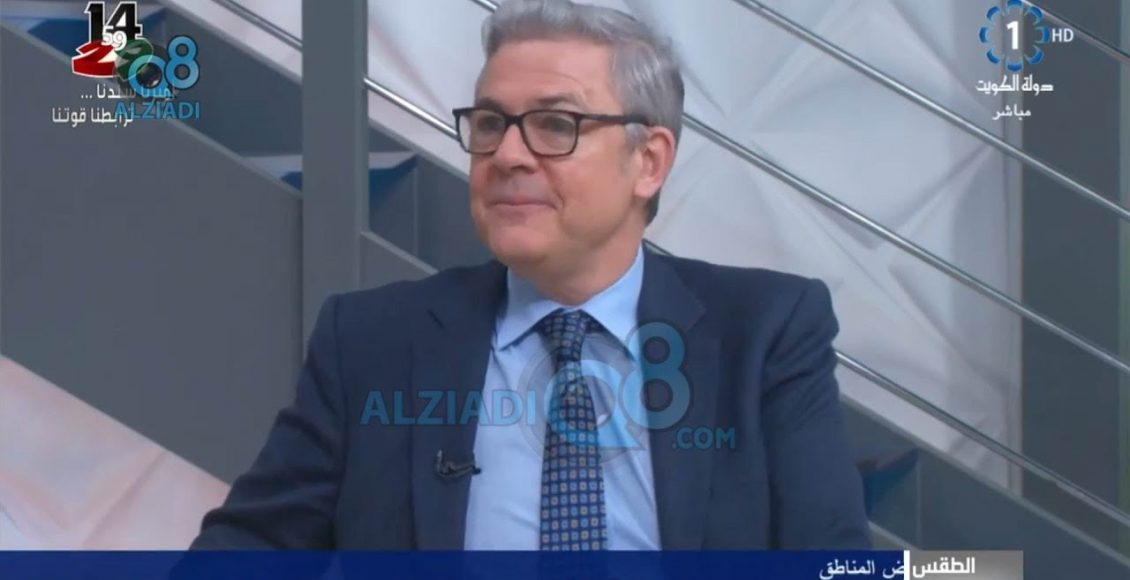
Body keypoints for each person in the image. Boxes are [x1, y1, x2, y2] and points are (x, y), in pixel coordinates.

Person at [190, 0, 869, 550]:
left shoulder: (767, 331)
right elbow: (249, 551)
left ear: (649, 162)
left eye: (554, 124)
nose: (508, 155)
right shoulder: (369, 340)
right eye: (491, 123)